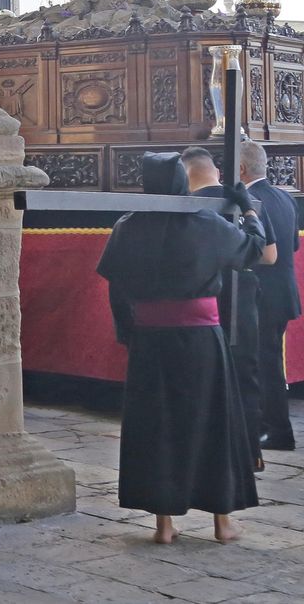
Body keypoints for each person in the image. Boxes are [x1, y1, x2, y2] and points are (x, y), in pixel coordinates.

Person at [99, 152, 265, 544]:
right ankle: (223, 523)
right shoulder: (206, 223)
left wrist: (130, 332)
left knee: (158, 427)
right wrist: (248, 209)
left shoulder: (127, 226)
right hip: (201, 340)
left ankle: (165, 526)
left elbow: (116, 286)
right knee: (213, 422)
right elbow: (255, 249)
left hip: (151, 342)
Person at [183, 145, 276, 469]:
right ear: (217, 172)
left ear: (186, 174)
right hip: (244, 292)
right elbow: (268, 254)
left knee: (204, 379)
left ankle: (209, 451)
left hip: (203, 297)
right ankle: (250, 451)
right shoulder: (242, 199)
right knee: (245, 374)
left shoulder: (185, 206)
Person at [239, 141, 301, 451]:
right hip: (283, 292)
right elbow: (293, 246)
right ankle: (271, 426)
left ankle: (277, 430)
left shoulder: (250, 201)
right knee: (268, 362)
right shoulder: (284, 198)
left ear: (240, 169)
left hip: (261, 295)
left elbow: (260, 252)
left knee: (264, 365)